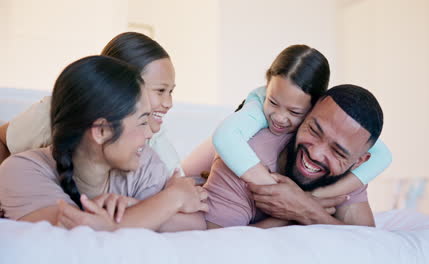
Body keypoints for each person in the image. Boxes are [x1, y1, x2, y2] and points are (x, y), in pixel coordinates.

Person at [0, 56, 208, 231]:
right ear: (101, 131)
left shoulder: (144, 162)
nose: (149, 134)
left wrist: (133, 209)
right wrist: (173, 197)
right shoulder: (21, 170)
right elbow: (78, 228)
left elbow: (196, 223)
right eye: (143, 122)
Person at [187, 45, 392, 201]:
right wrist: (281, 192)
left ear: (315, 106)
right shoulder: (257, 106)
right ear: (268, 86)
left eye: (294, 112)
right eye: (273, 102)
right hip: (188, 177)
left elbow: (382, 155)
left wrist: (318, 196)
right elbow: (225, 137)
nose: (279, 117)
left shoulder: (319, 114)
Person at [0, 32, 183, 178]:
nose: (169, 103)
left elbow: (179, 187)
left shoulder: (157, 139)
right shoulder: (55, 113)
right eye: (160, 91)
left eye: (171, 92)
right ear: (121, 84)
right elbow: (3, 138)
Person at [204, 84, 384, 228]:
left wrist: (306, 211)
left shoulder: (347, 176)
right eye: (314, 130)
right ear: (306, 115)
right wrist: (294, 215)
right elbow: (219, 247)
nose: (315, 154)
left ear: (358, 162)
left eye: (337, 151)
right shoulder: (245, 158)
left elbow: (365, 246)